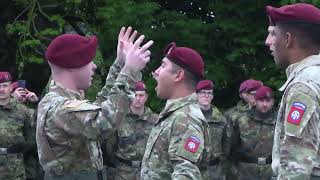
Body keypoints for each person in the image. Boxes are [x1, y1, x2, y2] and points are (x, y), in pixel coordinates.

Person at [36, 27, 153, 179]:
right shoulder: (60, 108)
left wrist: (120, 64)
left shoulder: (61, 102)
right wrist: (129, 71)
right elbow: (104, 121)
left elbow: (100, 108)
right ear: (73, 66)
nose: (94, 66)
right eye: (89, 61)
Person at [265, 3, 320, 179]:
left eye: (273, 34)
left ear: (288, 39)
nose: (268, 41)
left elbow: (296, 168)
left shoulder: (304, 86)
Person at [140, 42, 208, 179]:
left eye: (163, 65)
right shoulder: (175, 114)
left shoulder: (186, 120)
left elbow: (186, 174)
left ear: (178, 75)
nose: (157, 71)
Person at [106, 81, 158, 180]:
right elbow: (110, 147)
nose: (137, 98)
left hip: (146, 171)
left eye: (141, 95)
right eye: (135, 95)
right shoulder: (119, 118)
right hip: (122, 172)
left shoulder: (155, 120)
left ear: (146, 97)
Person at [230, 85, 276, 180]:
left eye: (268, 101)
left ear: (272, 102)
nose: (264, 104)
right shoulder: (241, 121)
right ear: (255, 101)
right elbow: (233, 148)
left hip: (270, 170)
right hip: (246, 171)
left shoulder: (279, 122)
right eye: (261, 101)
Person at [0, 71, 36, 180]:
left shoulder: (22, 110)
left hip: (15, 168)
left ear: (11, 87)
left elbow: (31, 140)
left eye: (5, 86)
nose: (1, 89)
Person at [196, 80, 232, 180]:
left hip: (215, 171)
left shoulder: (220, 119)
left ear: (212, 96)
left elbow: (226, 145)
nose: (206, 96)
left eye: (209, 93)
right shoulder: (189, 116)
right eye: (203, 92)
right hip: (194, 170)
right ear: (196, 95)